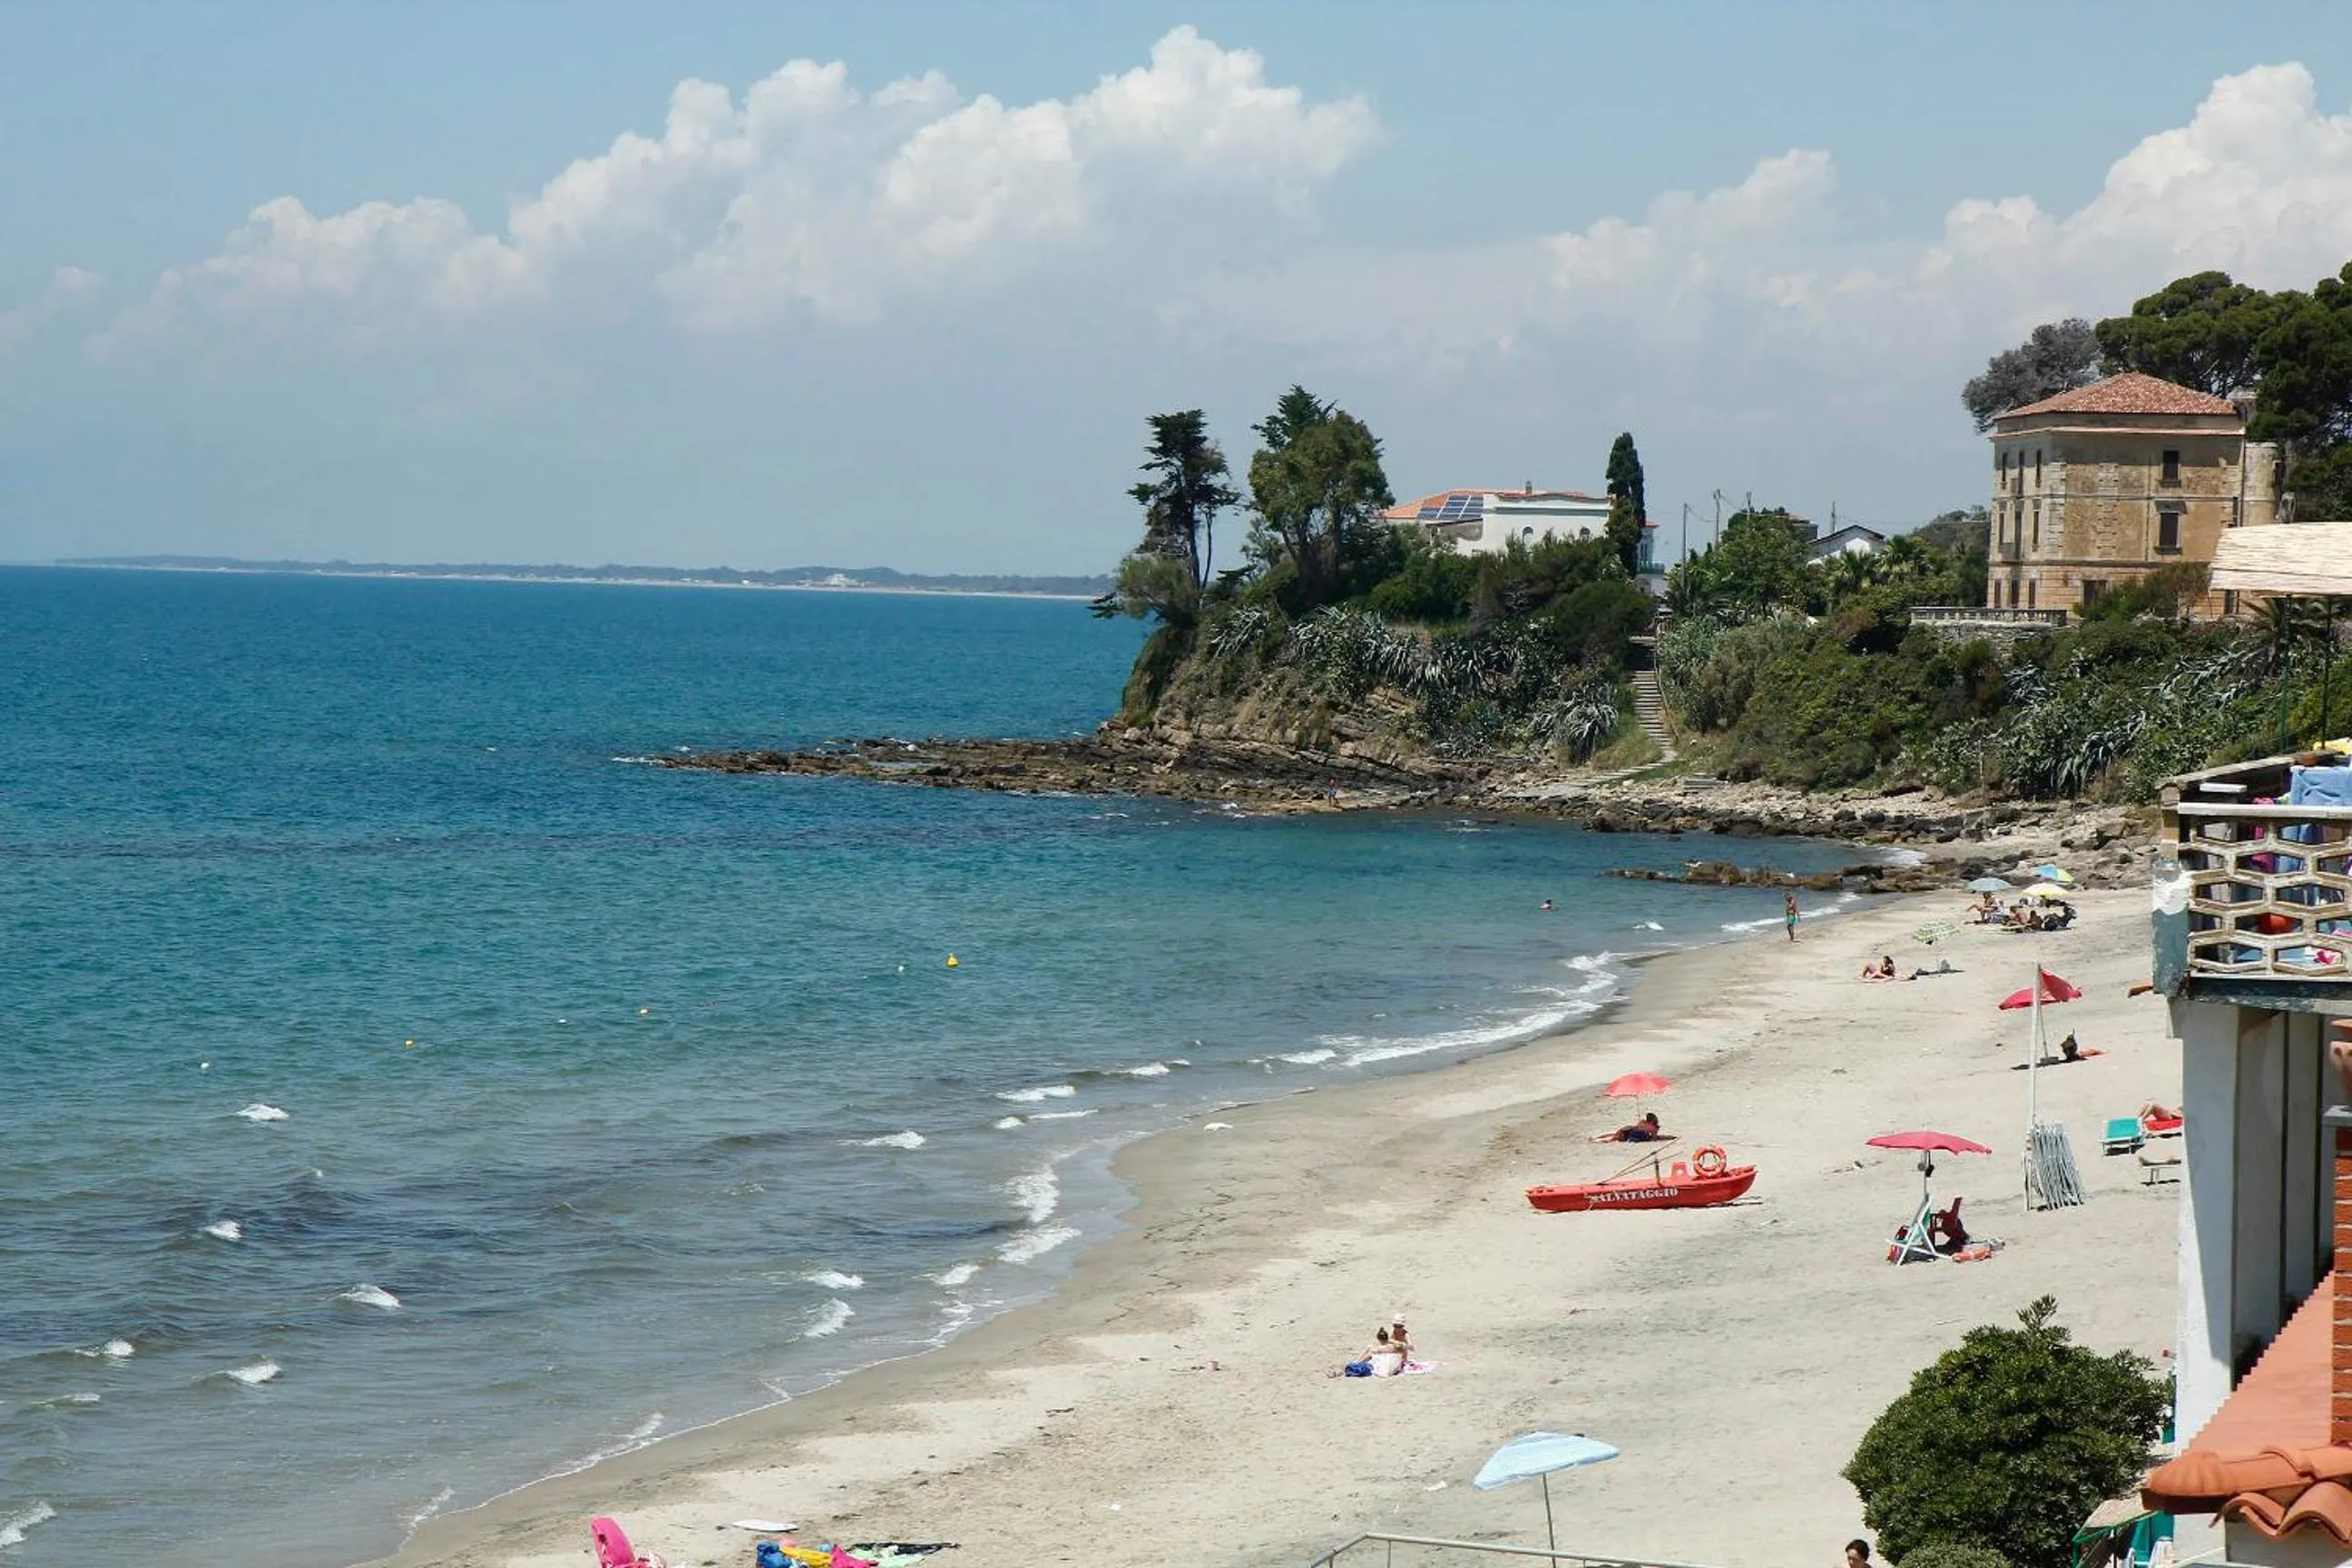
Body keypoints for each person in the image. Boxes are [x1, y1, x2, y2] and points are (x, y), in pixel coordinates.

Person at [1598, 1111, 1662, 1142]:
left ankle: (1597, 1137)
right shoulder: (1653, 1128)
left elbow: (1638, 1127)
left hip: (1628, 1128)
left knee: (1615, 1134)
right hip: (1631, 1134)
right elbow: (1654, 1139)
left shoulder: (1642, 1121)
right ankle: (1598, 1141)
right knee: (1613, 1139)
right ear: (1653, 1120)